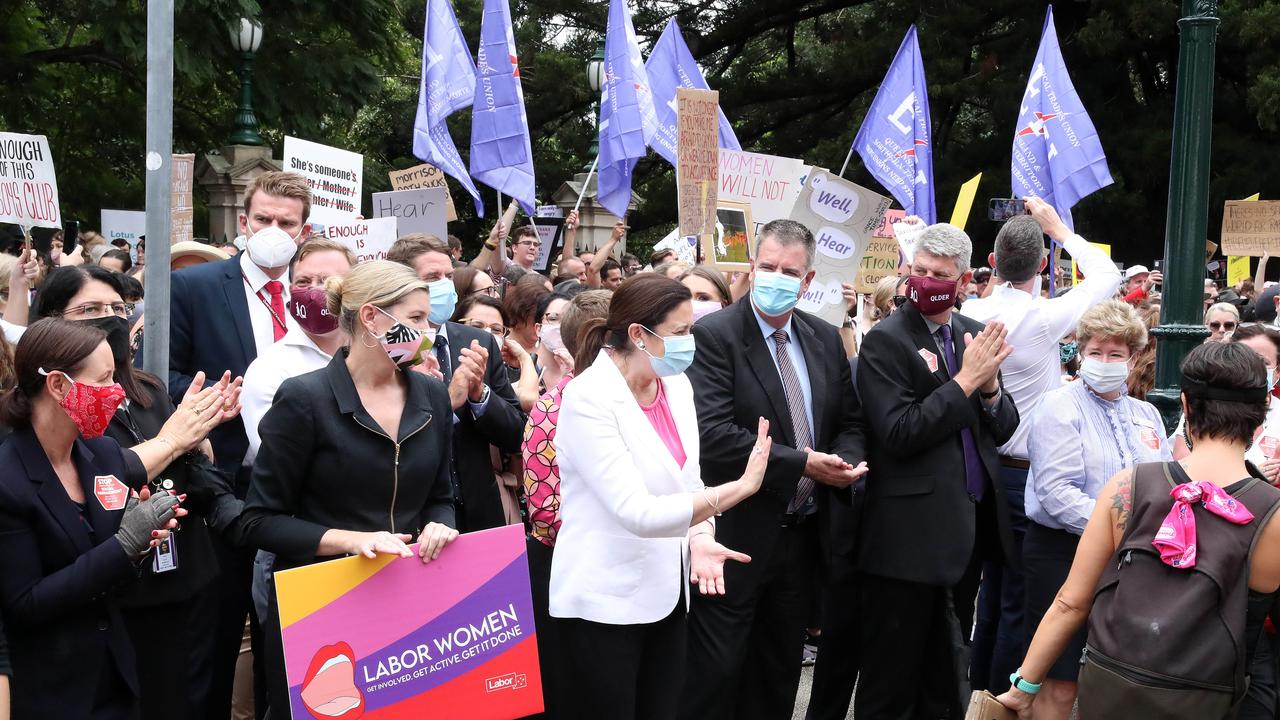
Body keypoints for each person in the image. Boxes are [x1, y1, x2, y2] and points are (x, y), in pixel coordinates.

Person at [999, 342, 1280, 719]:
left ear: (1186, 405)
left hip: (1113, 688)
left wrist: (1025, 687)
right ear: (1261, 413)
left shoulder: (1127, 487)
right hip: (1211, 698)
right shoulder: (1270, 513)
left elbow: (1070, 602)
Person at [240, 260, 460, 714]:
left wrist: (441, 525)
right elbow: (258, 520)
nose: (427, 331)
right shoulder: (305, 398)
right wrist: (352, 541)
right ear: (371, 318)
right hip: (322, 605)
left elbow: (440, 496)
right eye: (416, 319)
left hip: (408, 597)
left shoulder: (432, 395)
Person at [550, 273, 773, 719]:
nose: (690, 342)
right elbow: (637, 512)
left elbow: (688, 481)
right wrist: (740, 489)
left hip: (667, 593)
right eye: (680, 332)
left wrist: (702, 536)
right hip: (604, 602)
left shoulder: (677, 385)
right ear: (638, 334)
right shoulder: (588, 397)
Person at [34, 265, 242, 720]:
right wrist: (173, 440)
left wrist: (203, 450)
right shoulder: (62, 407)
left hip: (187, 581)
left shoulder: (146, 389)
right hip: (120, 594)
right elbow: (97, 478)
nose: (109, 319)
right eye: (89, 310)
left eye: (117, 308)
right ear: (51, 321)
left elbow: (190, 470)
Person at [680, 219, 869, 720]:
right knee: (715, 674)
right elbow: (714, 436)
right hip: (735, 533)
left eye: (789, 271)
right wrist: (804, 463)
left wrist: (844, 462)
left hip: (803, 537)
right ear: (751, 268)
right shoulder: (714, 335)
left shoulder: (825, 338)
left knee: (779, 671)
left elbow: (848, 420)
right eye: (767, 267)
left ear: (808, 280)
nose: (776, 277)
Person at [852, 222, 1019, 718]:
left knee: (947, 671)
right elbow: (899, 432)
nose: (925, 280)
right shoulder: (886, 341)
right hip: (906, 537)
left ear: (964, 281)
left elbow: (1003, 427)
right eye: (919, 270)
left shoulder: (971, 334)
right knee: (893, 672)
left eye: (939, 274)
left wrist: (988, 389)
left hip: (967, 526)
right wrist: (967, 381)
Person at [959, 197, 1121, 692]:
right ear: (1045, 264)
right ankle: (997, 698)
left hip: (978, 470)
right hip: (1023, 473)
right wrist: (1060, 229)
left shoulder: (970, 308)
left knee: (988, 599)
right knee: (1017, 601)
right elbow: (1108, 275)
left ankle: (975, 692)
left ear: (991, 262)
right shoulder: (1045, 316)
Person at [166, 169, 311, 720]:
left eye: (286, 222)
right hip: (224, 486)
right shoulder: (194, 288)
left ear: (304, 228)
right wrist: (217, 399)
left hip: (303, 493)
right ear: (243, 222)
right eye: (264, 219)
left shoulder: (319, 296)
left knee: (295, 640)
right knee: (217, 633)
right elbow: (165, 377)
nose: (274, 229)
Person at [0, 318, 191, 719]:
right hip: (49, 688)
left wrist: (143, 540)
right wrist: (123, 547)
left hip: (116, 675)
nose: (117, 393)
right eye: (104, 380)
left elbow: (110, 573)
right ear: (58, 385)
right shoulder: (9, 478)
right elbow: (24, 602)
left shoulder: (102, 455)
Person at [1020, 300, 1171, 718]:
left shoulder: (1147, 413)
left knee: (1115, 678)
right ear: (1081, 352)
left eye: (1116, 354)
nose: (1104, 362)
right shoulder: (1058, 405)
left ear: (1133, 357)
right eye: (1096, 352)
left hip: (1132, 559)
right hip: (1062, 553)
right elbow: (1056, 493)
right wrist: (1124, 527)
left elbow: (1161, 481)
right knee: (1060, 681)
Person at [387, 237, 526, 532]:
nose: (444, 285)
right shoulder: (390, 347)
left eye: (448, 276)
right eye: (432, 278)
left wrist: (480, 395)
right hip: (416, 523)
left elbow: (515, 434)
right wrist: (444, 402)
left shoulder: (478, 341)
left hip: (481, 515)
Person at [521, 289, 610, 716]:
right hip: (570, 569)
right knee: (575, 688)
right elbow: (545, 512)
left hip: (631, 572)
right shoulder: (553, 406)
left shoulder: (650, 399)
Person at [241, 238, 355, 464]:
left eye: (327, 281)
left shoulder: (379, 358)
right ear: (291, 289)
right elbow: (277, 460)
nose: (315, 290)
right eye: (303, 281)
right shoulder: (269, 369)